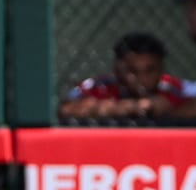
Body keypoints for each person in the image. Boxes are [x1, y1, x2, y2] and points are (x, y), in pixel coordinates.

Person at [58, 32, 188, 125]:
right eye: (133, 70)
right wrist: (127, 107)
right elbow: (65, 108)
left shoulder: (174, 87)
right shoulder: (100, 86)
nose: (142, 78)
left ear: (161, 69)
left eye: (150, 70)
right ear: (117, 69)